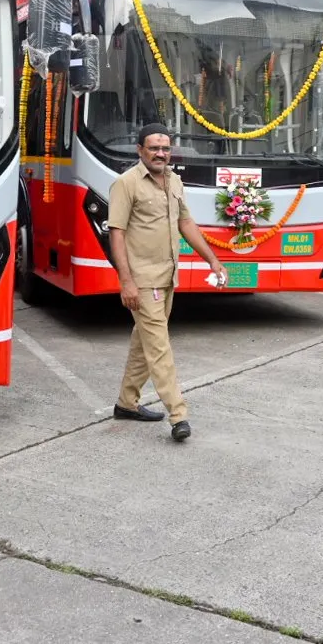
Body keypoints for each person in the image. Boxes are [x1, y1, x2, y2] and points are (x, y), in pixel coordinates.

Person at [105, 122, 228, 442]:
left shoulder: (174, 180)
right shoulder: (126, 183)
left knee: (143, 341)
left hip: (167, 275)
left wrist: (212, 259)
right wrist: (126, 282)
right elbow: (116, 233)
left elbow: (185, 222)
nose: (161, 153)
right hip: (143, 280)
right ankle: (178, 414)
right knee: (159, 347)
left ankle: (126, 403)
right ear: (140, 151)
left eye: (165, 148)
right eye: (154, 148)